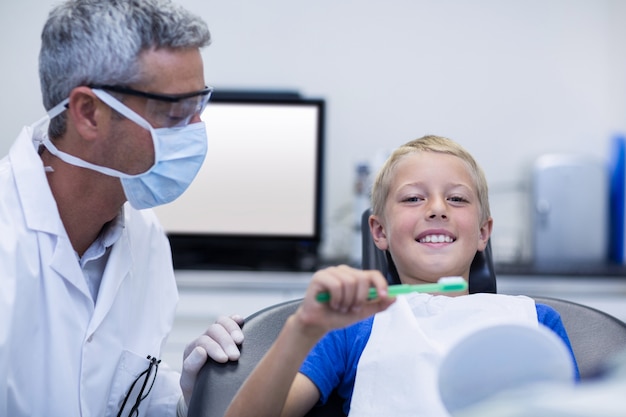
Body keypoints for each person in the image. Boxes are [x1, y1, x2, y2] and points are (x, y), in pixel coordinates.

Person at [0, 1, 244, 416]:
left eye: (198, 108)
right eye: (174, 112)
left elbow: (123, 399)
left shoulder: (144, 238)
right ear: (89, 113)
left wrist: (187, 393)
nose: (196, 132)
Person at [224, 135, 580, 417]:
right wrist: (301, 329)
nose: (438, 209)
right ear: (379, 232)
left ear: (484, 233)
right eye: (412, 199)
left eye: (457, 199)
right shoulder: (351, 326)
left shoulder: (536, 323)